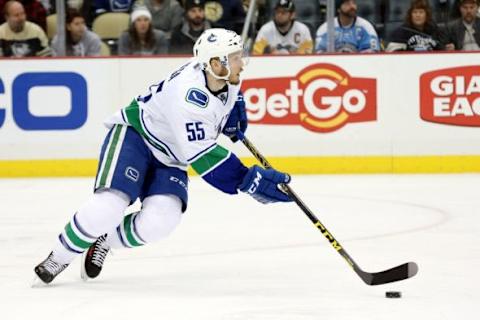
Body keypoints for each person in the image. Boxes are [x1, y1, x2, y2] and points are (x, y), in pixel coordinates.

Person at [33, 28, 293, 285]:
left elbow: (225, 96)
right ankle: (60, 256)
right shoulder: (189, 98)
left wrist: (232, 109)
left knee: (161, 221)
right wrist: (248, 179)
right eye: (236, 57)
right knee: (109, 206)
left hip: (172, 156)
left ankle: (104, 239)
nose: (242, 63)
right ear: (216, 63)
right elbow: (205, 159)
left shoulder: (219, 72)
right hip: (136, 137)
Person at [315, 0, 380, 53]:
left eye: (354, 3)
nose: (352, 6)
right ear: (338, 9)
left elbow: (371, 53)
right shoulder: (326, 28)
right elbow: (320, 54)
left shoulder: (366, 27)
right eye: (347, 4)